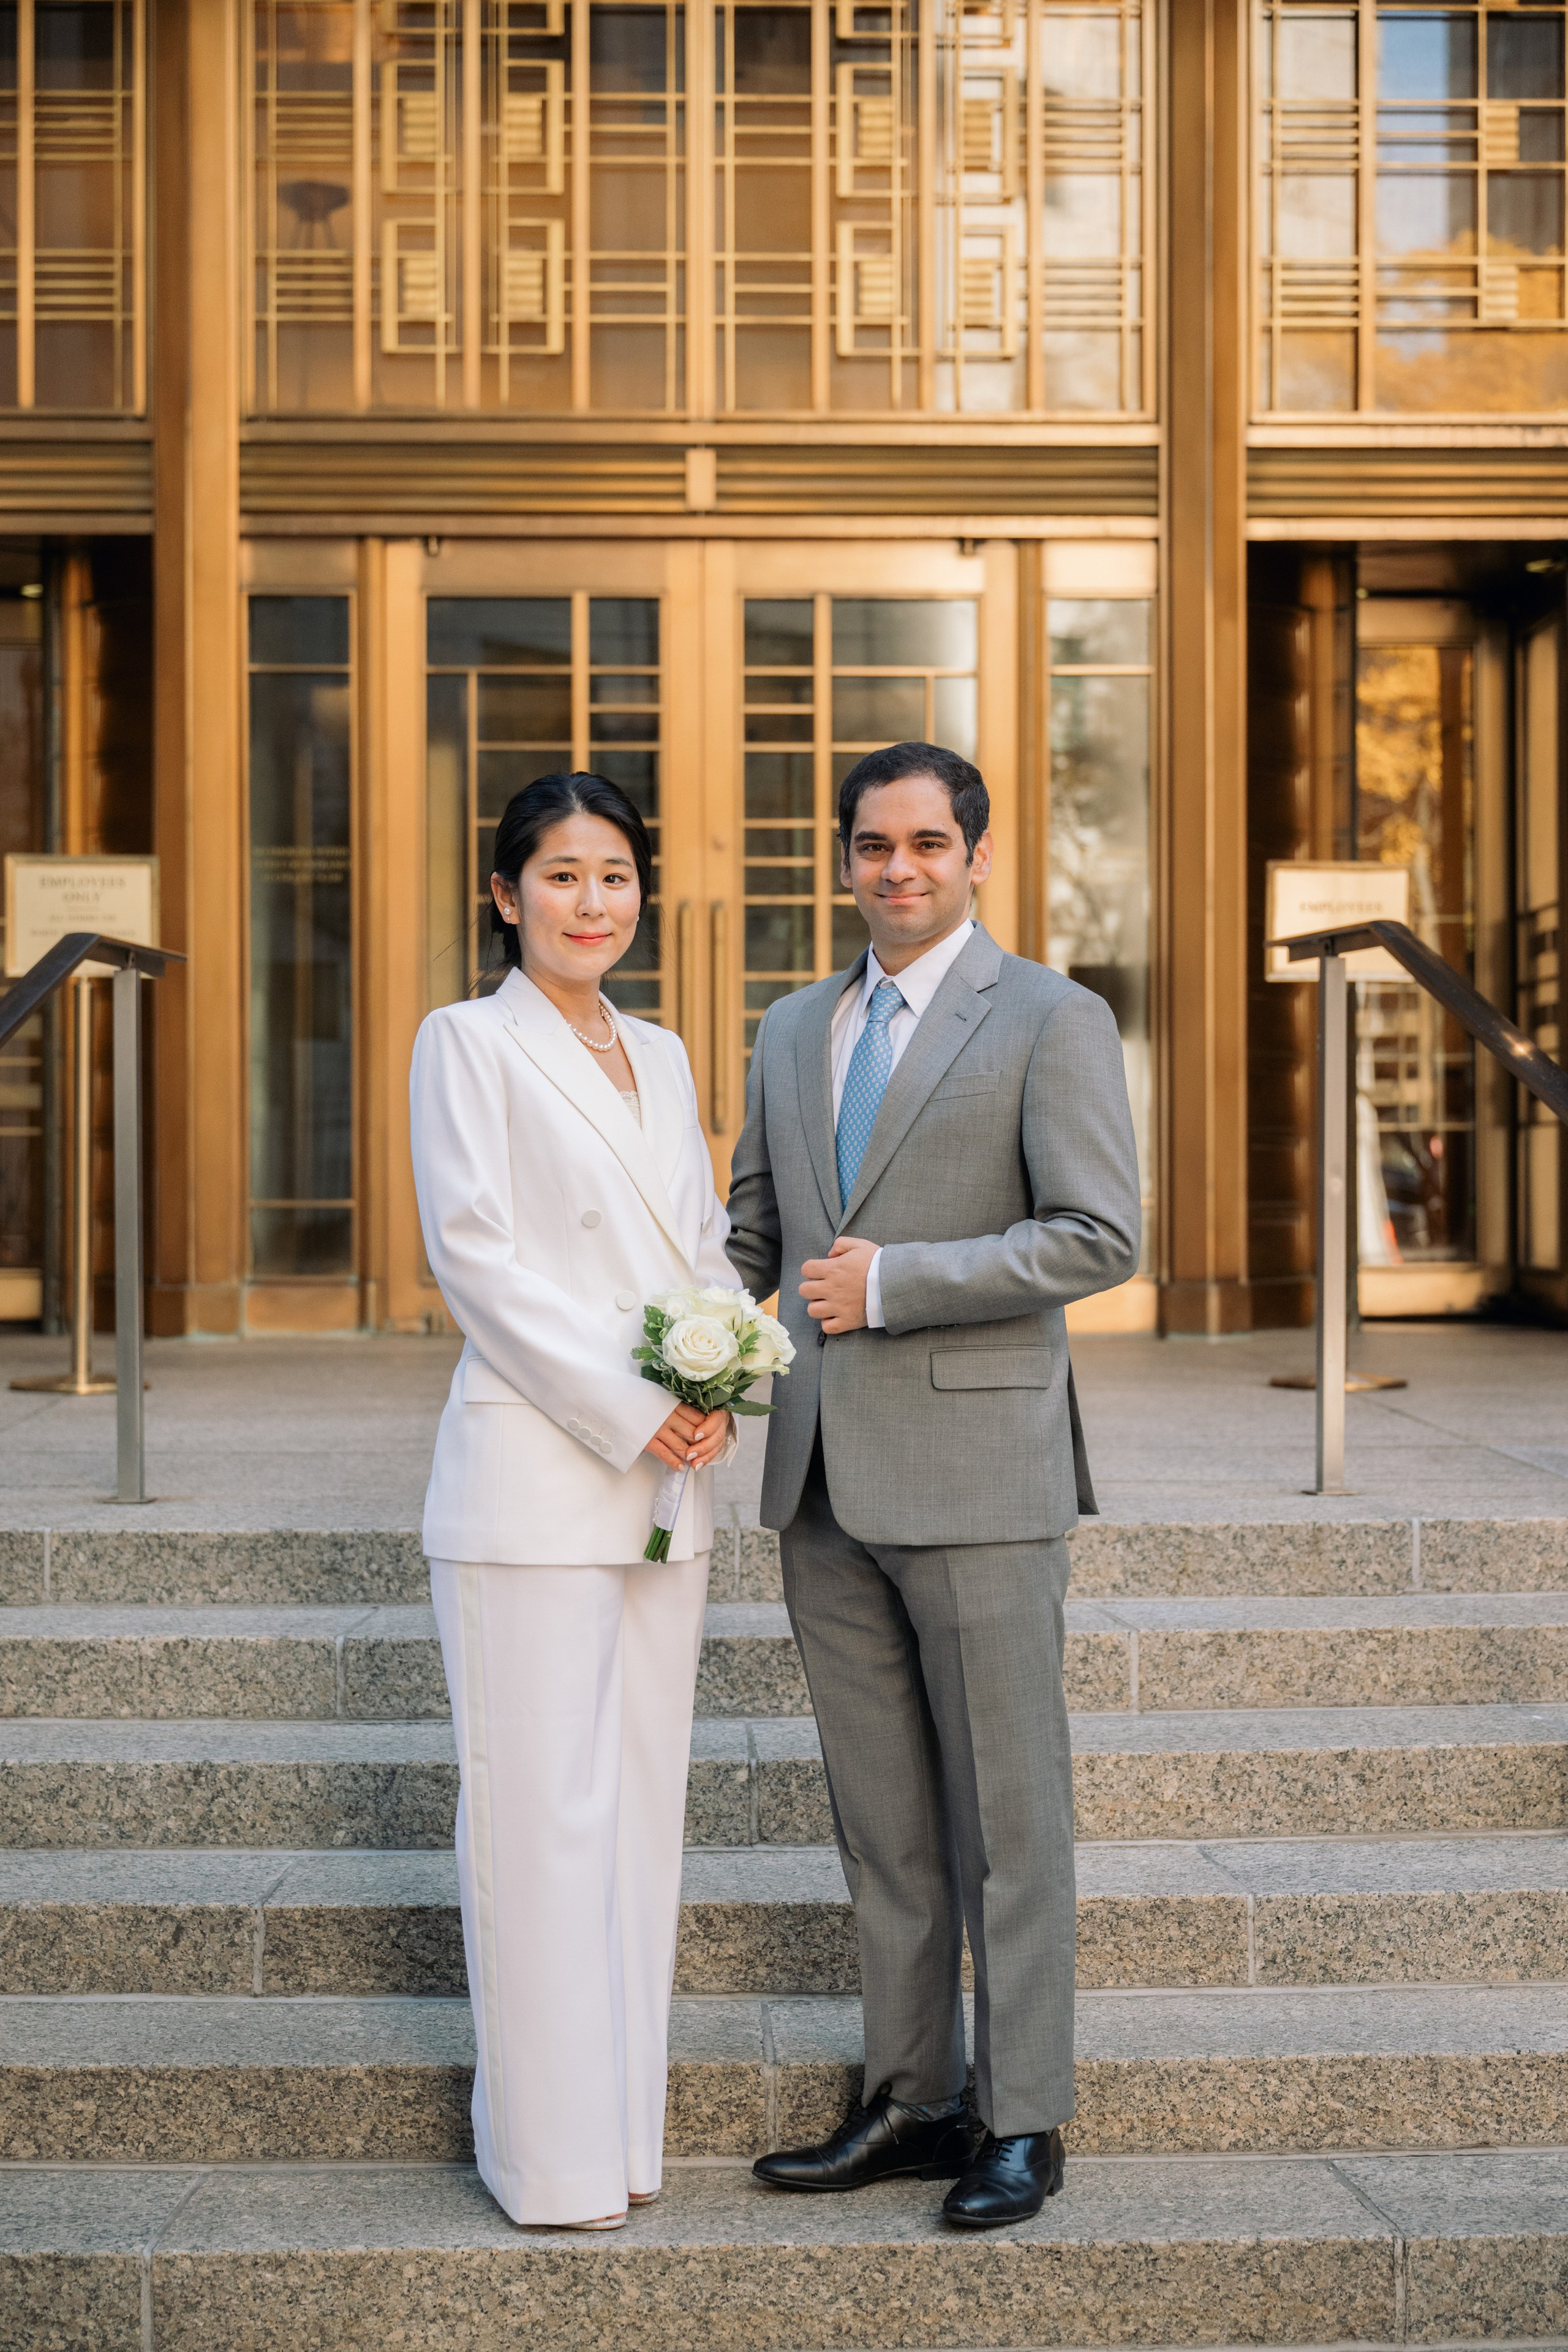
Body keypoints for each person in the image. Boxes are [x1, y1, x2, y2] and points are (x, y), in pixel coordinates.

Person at [725, 740, 1140, 2228]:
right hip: (819, 1481)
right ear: (839, 859)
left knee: (1007, 1819)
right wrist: (670, 1341)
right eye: (868, 846)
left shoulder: (1048, 1015)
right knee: (883, 1823)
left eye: (923, 844)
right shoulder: (787, 1028)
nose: (894, 869)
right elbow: (751, 1235)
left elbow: (1096, 1233)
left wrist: (898, 1282)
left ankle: (1020, 2116)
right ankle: (912, 2097)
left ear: (973, 856)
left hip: (978, 1470)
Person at [410, 772, 736, 2231]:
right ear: (503, 894)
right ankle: (545, 2160)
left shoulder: (660, 1053)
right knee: (537, 1819)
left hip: (668, 1482)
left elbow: (703, 1242)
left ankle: (623, 2143)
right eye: (558, 875)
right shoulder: (463, 1043)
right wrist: (637, 1402)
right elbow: (479, 1264)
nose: (589, 901)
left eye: (613, 876)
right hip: (541, 1472)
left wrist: (727, 1365)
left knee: (636, 1818)